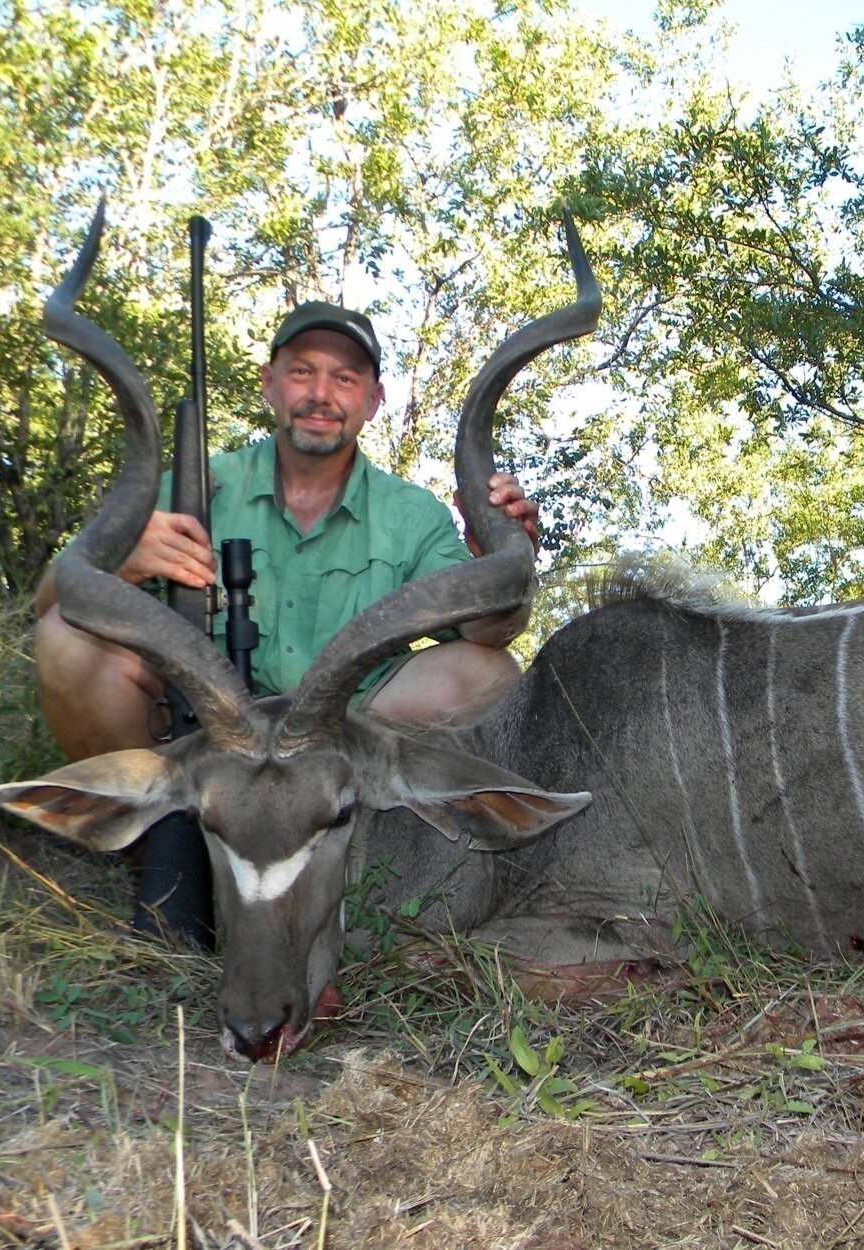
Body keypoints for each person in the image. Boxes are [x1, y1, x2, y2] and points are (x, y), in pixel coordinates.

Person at [31, 302, 540, 946]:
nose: (321, 394)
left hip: (339, 748)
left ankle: (352, 855)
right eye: (302, 372)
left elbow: (491, 635)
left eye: (345, 378)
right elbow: (55, 594)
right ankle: (166, 845)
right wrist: (124, 558)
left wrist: (500, 555)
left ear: (374, 400)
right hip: (211, 744)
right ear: (271, 383)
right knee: (66, 639)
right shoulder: (200, 486)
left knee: (484, 674)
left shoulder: (412, 515)